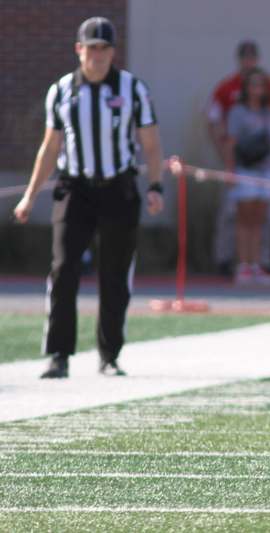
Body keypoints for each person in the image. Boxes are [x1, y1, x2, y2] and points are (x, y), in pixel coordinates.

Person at [13, 17, 164, 378]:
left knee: (114, 272)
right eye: (91, 47)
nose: (97, 55)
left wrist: (156, 186)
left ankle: (109, 355)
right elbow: (50, 147)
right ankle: (59, 355)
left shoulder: (133, 89)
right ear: (78, 50)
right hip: (75, 188)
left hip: (118, 187)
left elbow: (151, 143)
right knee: (63, 268)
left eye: (104, 48)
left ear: (114, 52)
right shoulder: (62, 90)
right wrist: (30, 196)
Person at [207, 40, 270, 277]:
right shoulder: (227, 88)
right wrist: (225, 159)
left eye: (252, 57)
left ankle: (261, 262)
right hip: (241, 166)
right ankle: (231, 262)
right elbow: (213, 121)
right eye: (244, 57)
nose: (248, 61)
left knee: (261, 218)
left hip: (264, 167)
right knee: (235, 216)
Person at [224, 68, 270, 285]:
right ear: (246, 88)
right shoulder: (238, 112)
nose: (257, 89)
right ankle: (243, 266)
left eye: (261, 85)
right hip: (245, 170)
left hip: (265, 170)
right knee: (244, 218)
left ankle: (257, 265)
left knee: (260, 219)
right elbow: (230, 142)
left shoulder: (269, 113)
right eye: (253, 84)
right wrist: (230, 170)